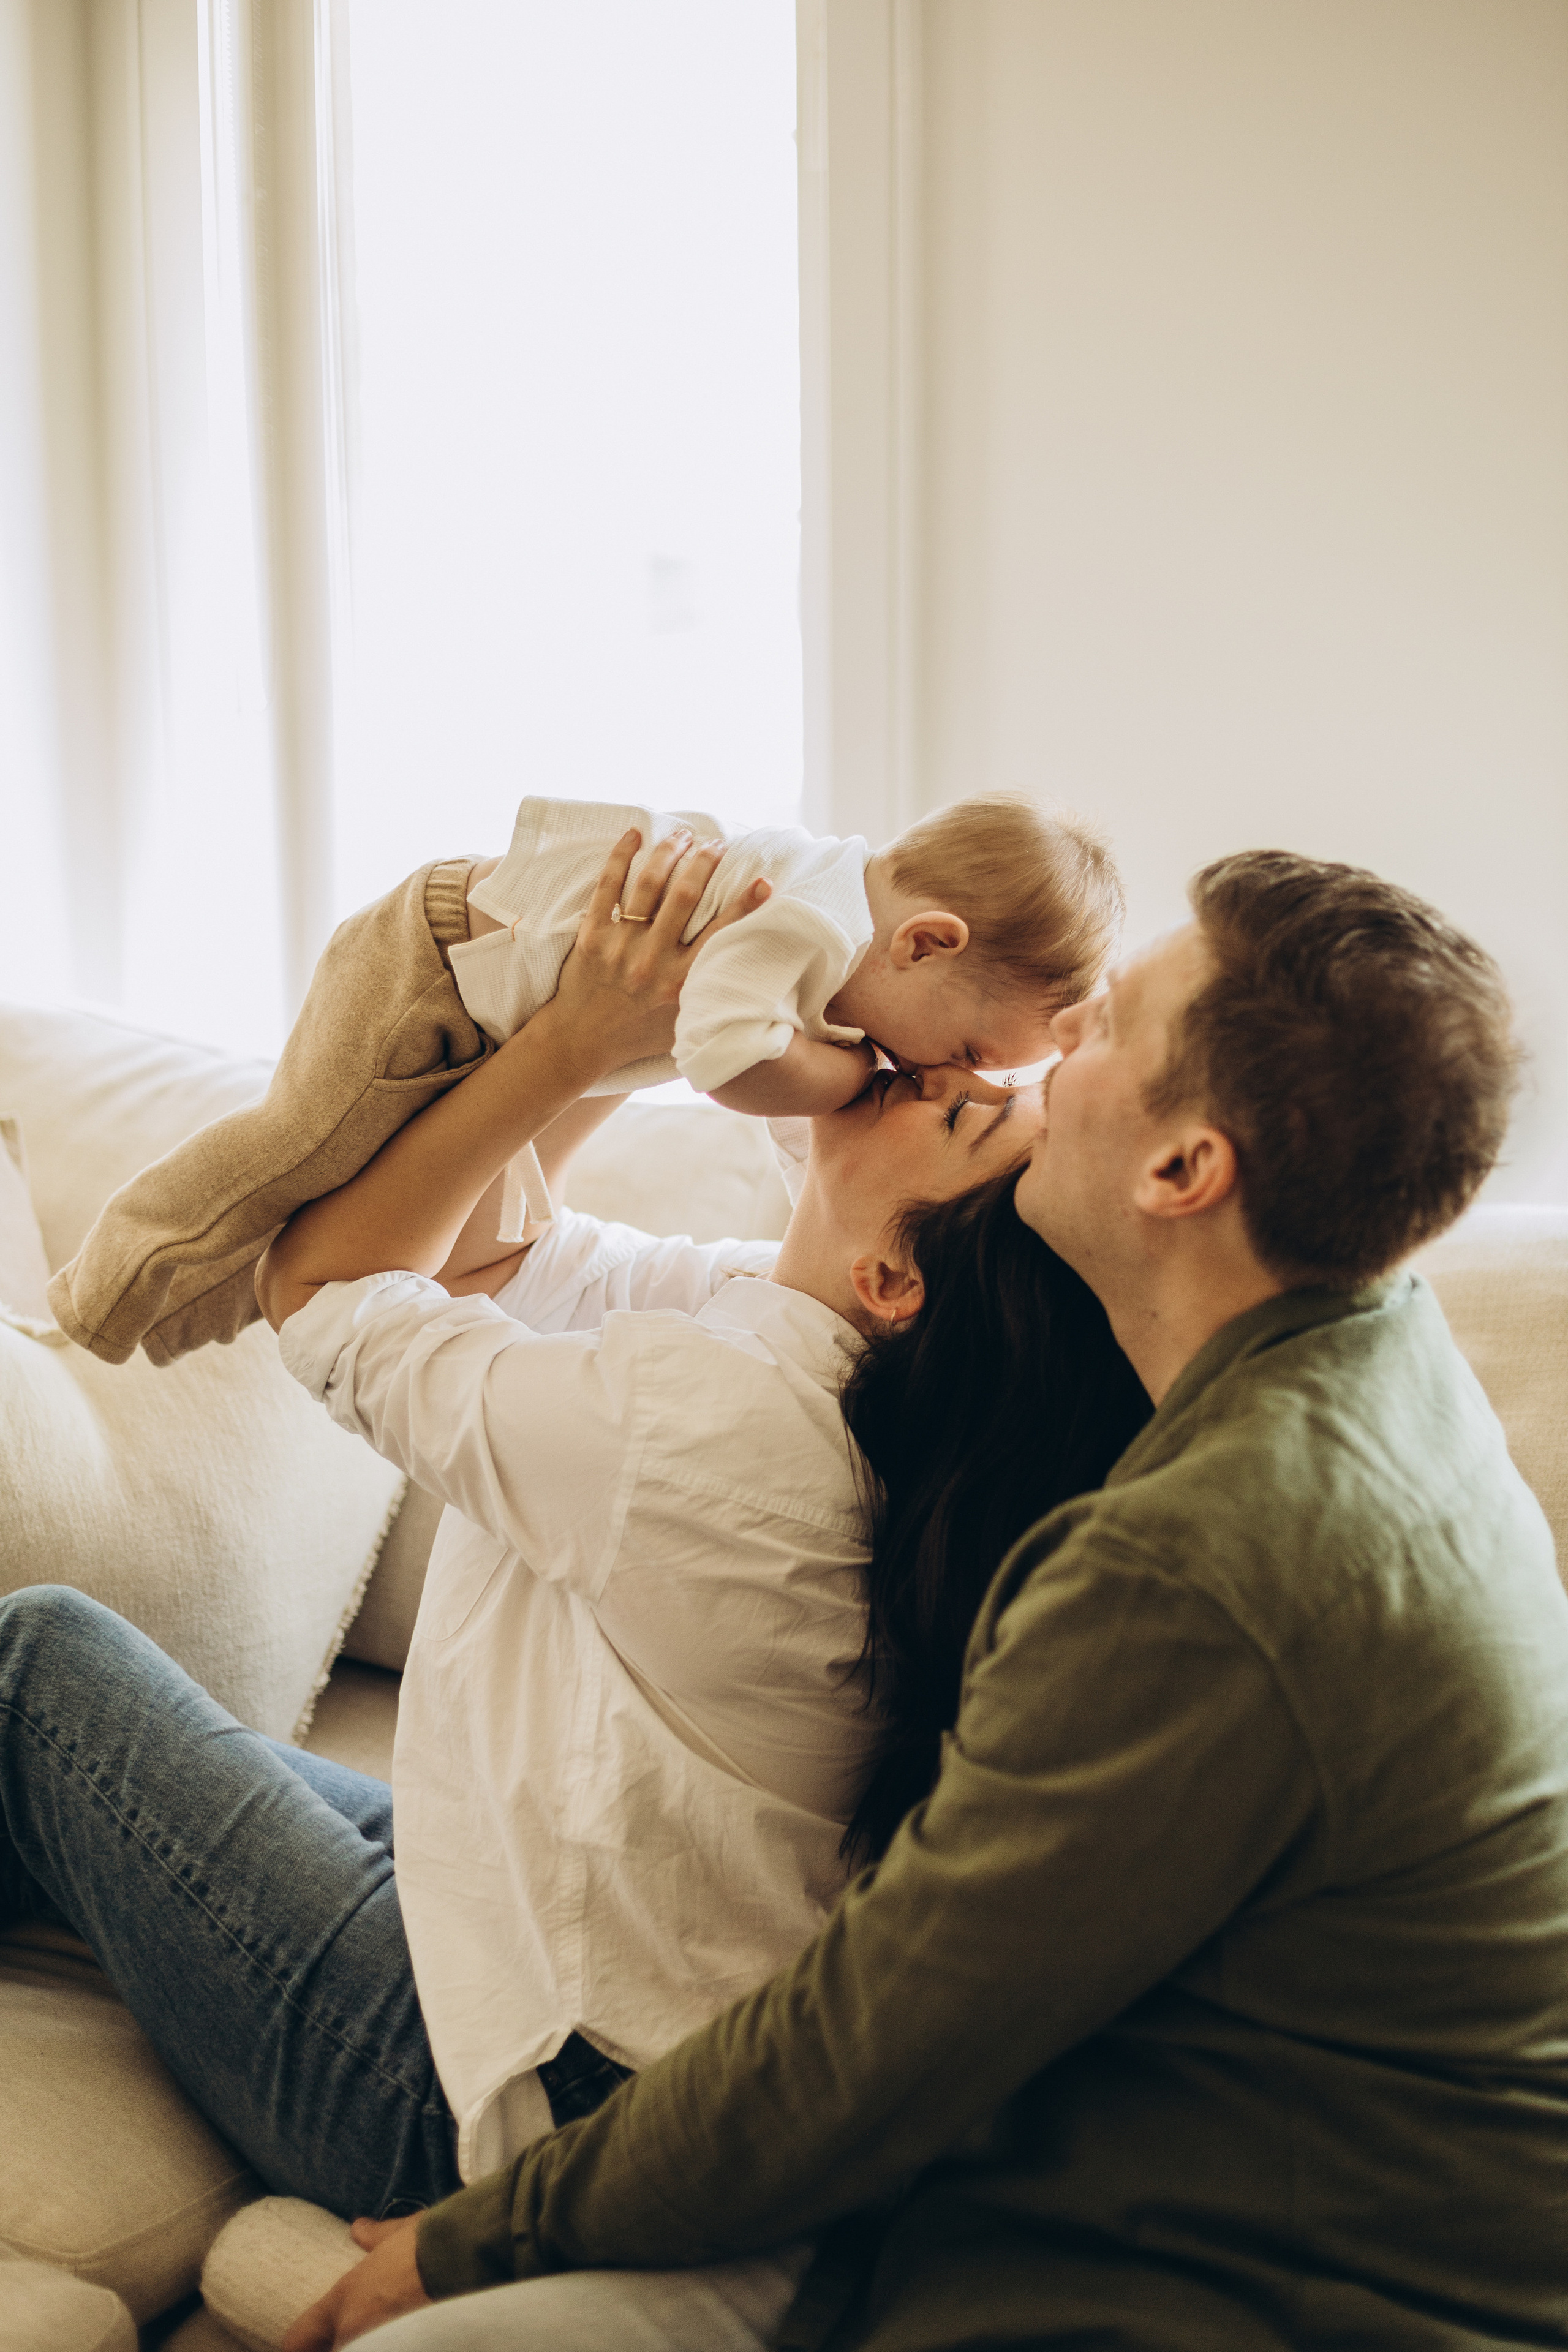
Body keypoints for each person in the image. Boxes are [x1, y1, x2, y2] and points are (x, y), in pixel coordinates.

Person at [304, 850, 1568, 2352]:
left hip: (1254, 2285)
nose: (1053, 1045)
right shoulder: (1377, 1359)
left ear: (1182, 1173)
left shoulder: (1201, 1563)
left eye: (1104, 1029)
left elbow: (867, 2044)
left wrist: (466, 2246)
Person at [0, 832, 1142, 2257]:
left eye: (971, 1116)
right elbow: (483, 1262)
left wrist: (564, 1045)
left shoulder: (720, 1427)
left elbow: (326, 1286)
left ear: (895, 1273)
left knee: (33, 1663)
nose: (948, 1075)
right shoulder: (793, 1344)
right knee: (150, 1738)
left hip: (488, 2107)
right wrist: (619, 1029)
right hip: (528, 1944)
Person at [47, 793, 1120, 1367]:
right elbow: (722, 1059)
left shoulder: (832, 918)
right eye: (974, 1058)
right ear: (928, 942)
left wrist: (592, 1042)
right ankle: (95, 1306)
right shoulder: (810, 922)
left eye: (970, 1100)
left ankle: (159, 1313)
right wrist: (836, 1076)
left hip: (482, 991)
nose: (926, 1076)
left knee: (322, 1174)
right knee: (298, 1146)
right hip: (436, 964)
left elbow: (446, 1265)